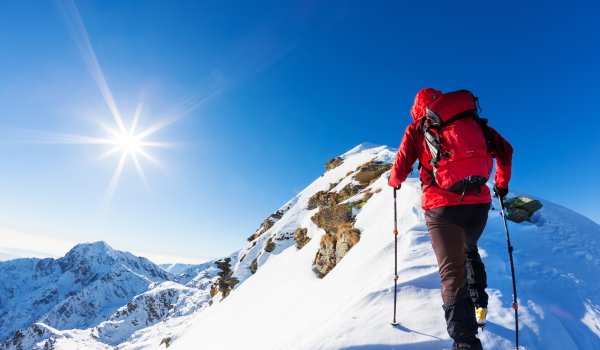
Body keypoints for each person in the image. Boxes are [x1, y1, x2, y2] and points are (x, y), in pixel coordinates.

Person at [388, 88, 513, 349]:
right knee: (470, 251)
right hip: (478, 205)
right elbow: (506, 150)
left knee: (452, 274)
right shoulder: (472, 123)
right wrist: (501, 185)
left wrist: (394, 181)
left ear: (417, 107)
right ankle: (479, 304)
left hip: (442, 207)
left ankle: (465, 343)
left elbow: (401, 165)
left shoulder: (418, 127)